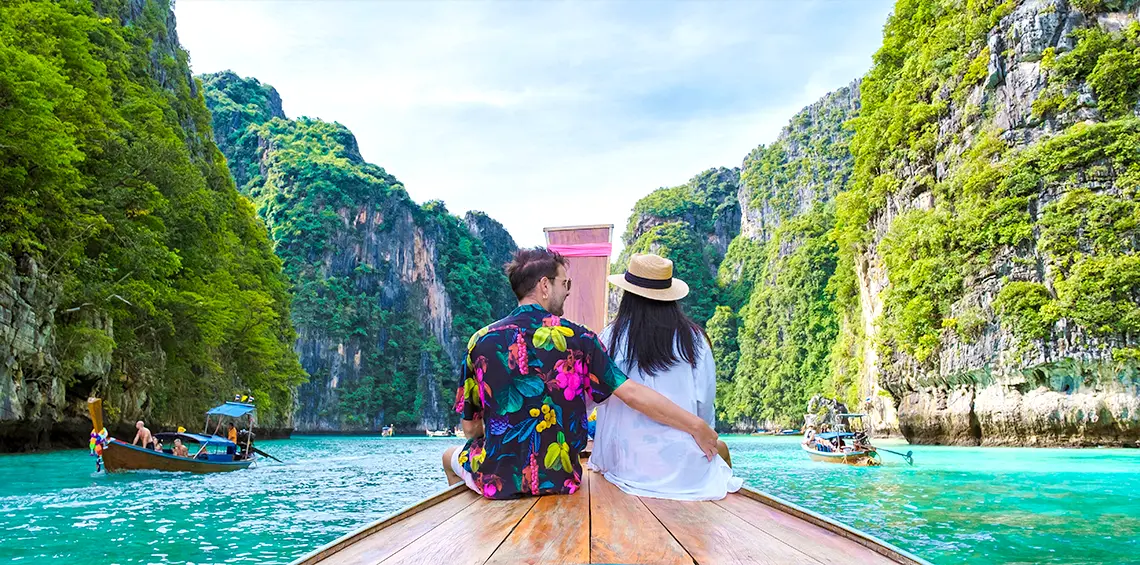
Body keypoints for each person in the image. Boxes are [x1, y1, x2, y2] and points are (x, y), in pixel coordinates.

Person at [442, 247, 719, 499]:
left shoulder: (479, 341)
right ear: (545, 286)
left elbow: (470, 429)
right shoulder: (581, 338)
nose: (568, 291)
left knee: (448, 457)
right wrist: (696, 426)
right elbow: (632, 393)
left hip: (497, 481)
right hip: (562, 479)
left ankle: (473, 522)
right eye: (565, 283)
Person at [588, 253, 742, 501]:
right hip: (682, 469)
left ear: (628, 296)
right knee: (721, 453)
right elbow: (704, 406)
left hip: (624, 465)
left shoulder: (610, 338)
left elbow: (595, 398)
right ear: (670, 296)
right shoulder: (694, 341)